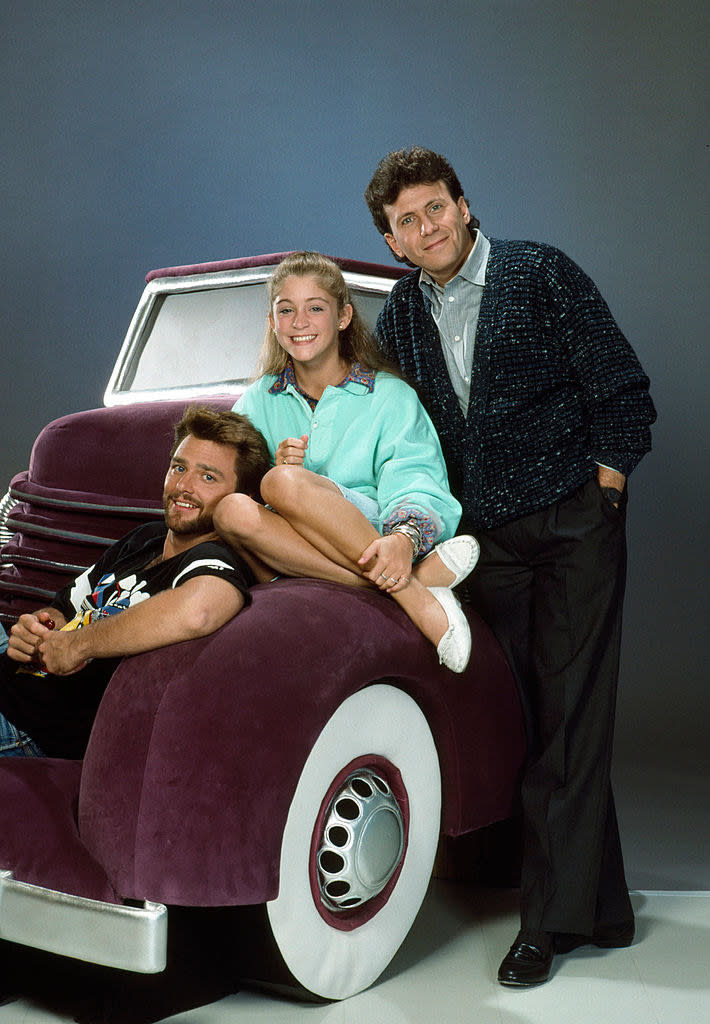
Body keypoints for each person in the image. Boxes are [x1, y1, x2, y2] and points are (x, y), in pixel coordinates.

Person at [364, 147, 656, 986]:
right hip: (486, 545)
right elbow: (400, 428)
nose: (428, 228)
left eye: (436, 208)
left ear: (464, 204)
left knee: (571, 716)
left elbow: (622, 387)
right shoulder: (404, 318)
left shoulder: (539, 274)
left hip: (572, 523)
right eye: (407, 223)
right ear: (393, 243)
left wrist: (604, 487)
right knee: (535, 722)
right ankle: (602, 906)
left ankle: (546, 926)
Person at [214, 251, 479, 673]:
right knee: (232, 509)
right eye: (286, 310)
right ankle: (411, 589)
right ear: (272, 322)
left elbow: (417, 479)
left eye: (315, 308)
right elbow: (225, 480)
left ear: (343, 317)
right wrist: (266, 468)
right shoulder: (258, 399)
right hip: (295, 552)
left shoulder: (389, 396)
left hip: (373, 536)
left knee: (283, 484)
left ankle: (413, 592)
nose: (299, 322)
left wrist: (404, 541)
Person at [0, 405, 271, 760]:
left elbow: (200, 610)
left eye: (208, 478)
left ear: (242, 499)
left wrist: (79, 646)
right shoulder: (147, 537)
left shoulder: (217, 559)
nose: (183, 487)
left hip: (29, 727)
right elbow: (64, 609)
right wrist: (34, 631)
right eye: (178, 468)